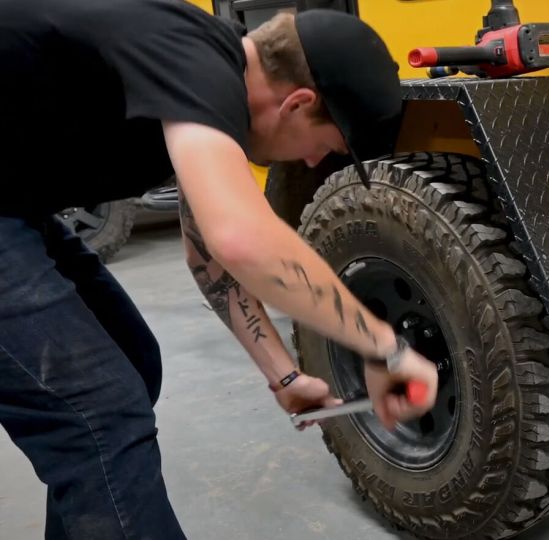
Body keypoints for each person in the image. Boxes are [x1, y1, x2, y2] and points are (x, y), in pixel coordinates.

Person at [0, 1, 439, 538]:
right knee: (99, 413)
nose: (306, 163)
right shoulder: (196, 60)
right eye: (322, 147)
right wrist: (386, 349)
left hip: (14, 202)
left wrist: (284, 374)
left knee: (133, 363)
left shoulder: (197, 73)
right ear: (298, 103)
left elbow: (207, 250)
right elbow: (240, 238)